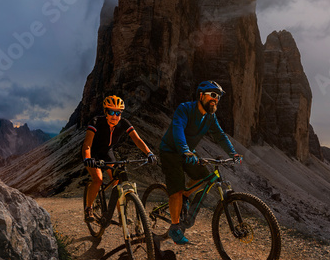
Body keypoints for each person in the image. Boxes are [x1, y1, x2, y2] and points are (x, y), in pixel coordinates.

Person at [159, 80, 242, 244]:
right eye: (212, 95)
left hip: (187, 151)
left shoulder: (210, 117)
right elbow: (178, 129)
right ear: (201, 95)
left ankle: (186, 196)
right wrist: (185, 150)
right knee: (175, 189)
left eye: (217, 97)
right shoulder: (185, 108)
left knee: (204, 176)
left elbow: (220, 136)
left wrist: (233, 153)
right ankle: (175, 228)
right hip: (171, 151)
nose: (215, 99)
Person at [82, 95, 157, 222]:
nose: (115, 116)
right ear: (106, 112)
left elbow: (137, 140)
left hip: (107, 152)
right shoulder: (96, 122)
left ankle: (122, 215)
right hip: (92, 153)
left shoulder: (124, 123)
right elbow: (87, 144)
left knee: (117, 182)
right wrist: (88, 158)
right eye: (111, 112)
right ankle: (89, 208)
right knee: (98, 179)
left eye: (118, 113)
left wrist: (149, 153)